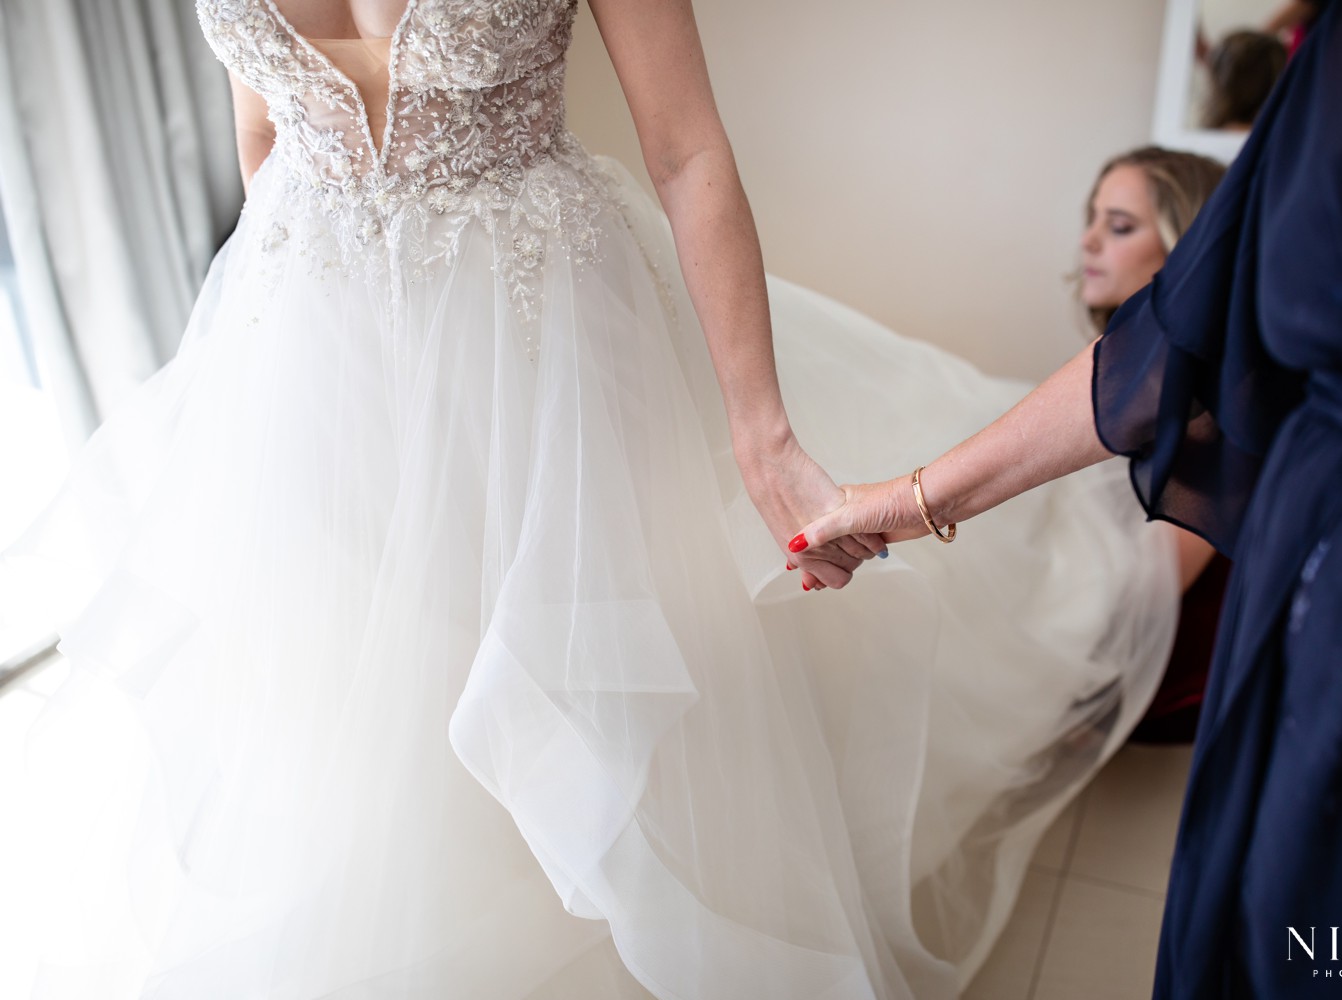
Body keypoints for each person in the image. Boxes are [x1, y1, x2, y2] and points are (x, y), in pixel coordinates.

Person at [0, 1, 1182, 996]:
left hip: (542, 346)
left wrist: (765, 440)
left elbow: (688, 153)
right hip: (319, 355)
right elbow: (264, 139)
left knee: (607, 693)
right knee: (366, 710)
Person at [795, 0, 1342, 994]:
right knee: (1261, 938)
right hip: (1296, 632)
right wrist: (901, 505)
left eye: (1121, 224)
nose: (1091, 241)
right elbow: (1173, 343)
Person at [1075, 145, 1230, 743]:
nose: (1088, 241)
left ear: (1182, 248)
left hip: (1161, 668)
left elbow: (1153, 579)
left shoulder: (1205, 392)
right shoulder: (1133, 370)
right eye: (1091, 219)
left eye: (1118, 227)